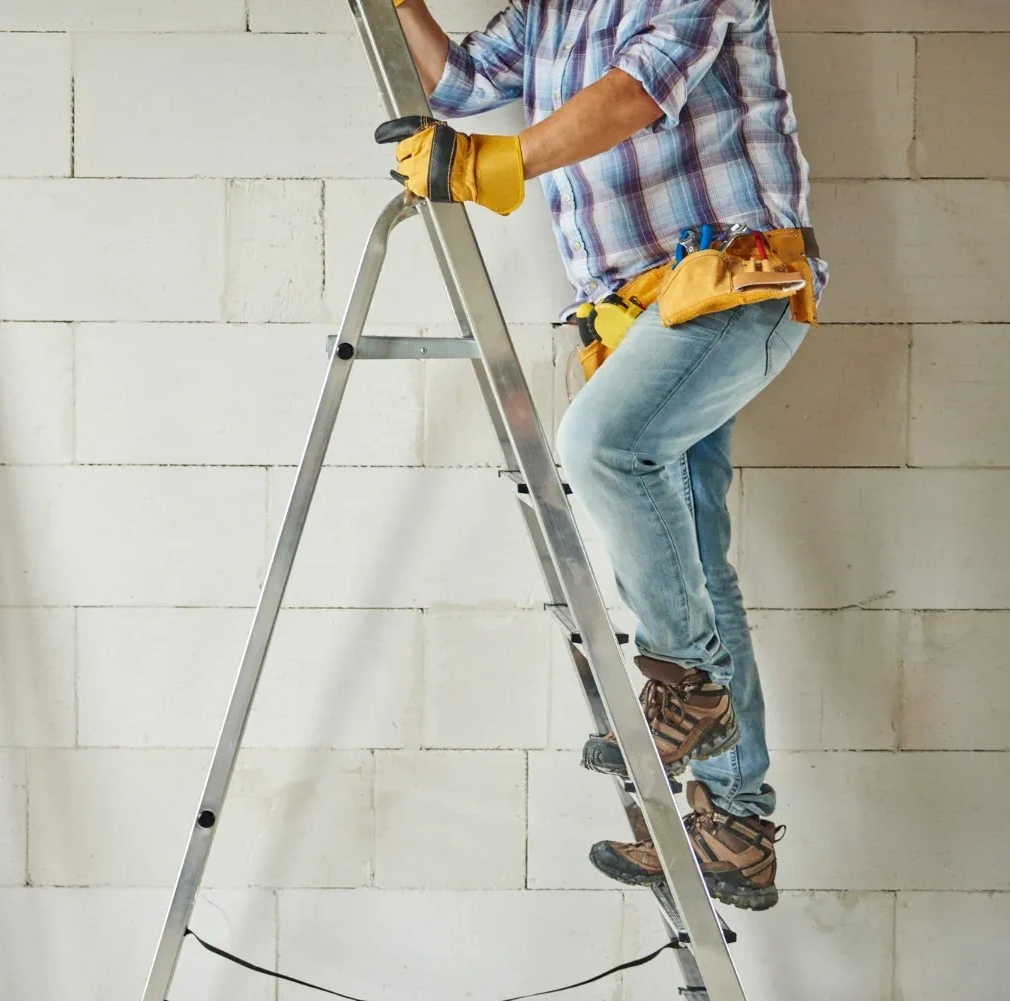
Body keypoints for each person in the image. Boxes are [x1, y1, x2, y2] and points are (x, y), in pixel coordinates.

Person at [387, 0, 825, 912]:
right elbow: (462, 83)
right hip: (640, 318)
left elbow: (638, 93)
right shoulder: (550, 10)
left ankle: (685, 684)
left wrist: (494, 164)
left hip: (733, 277)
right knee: (701, 563)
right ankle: (735, 823)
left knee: (603, 442)